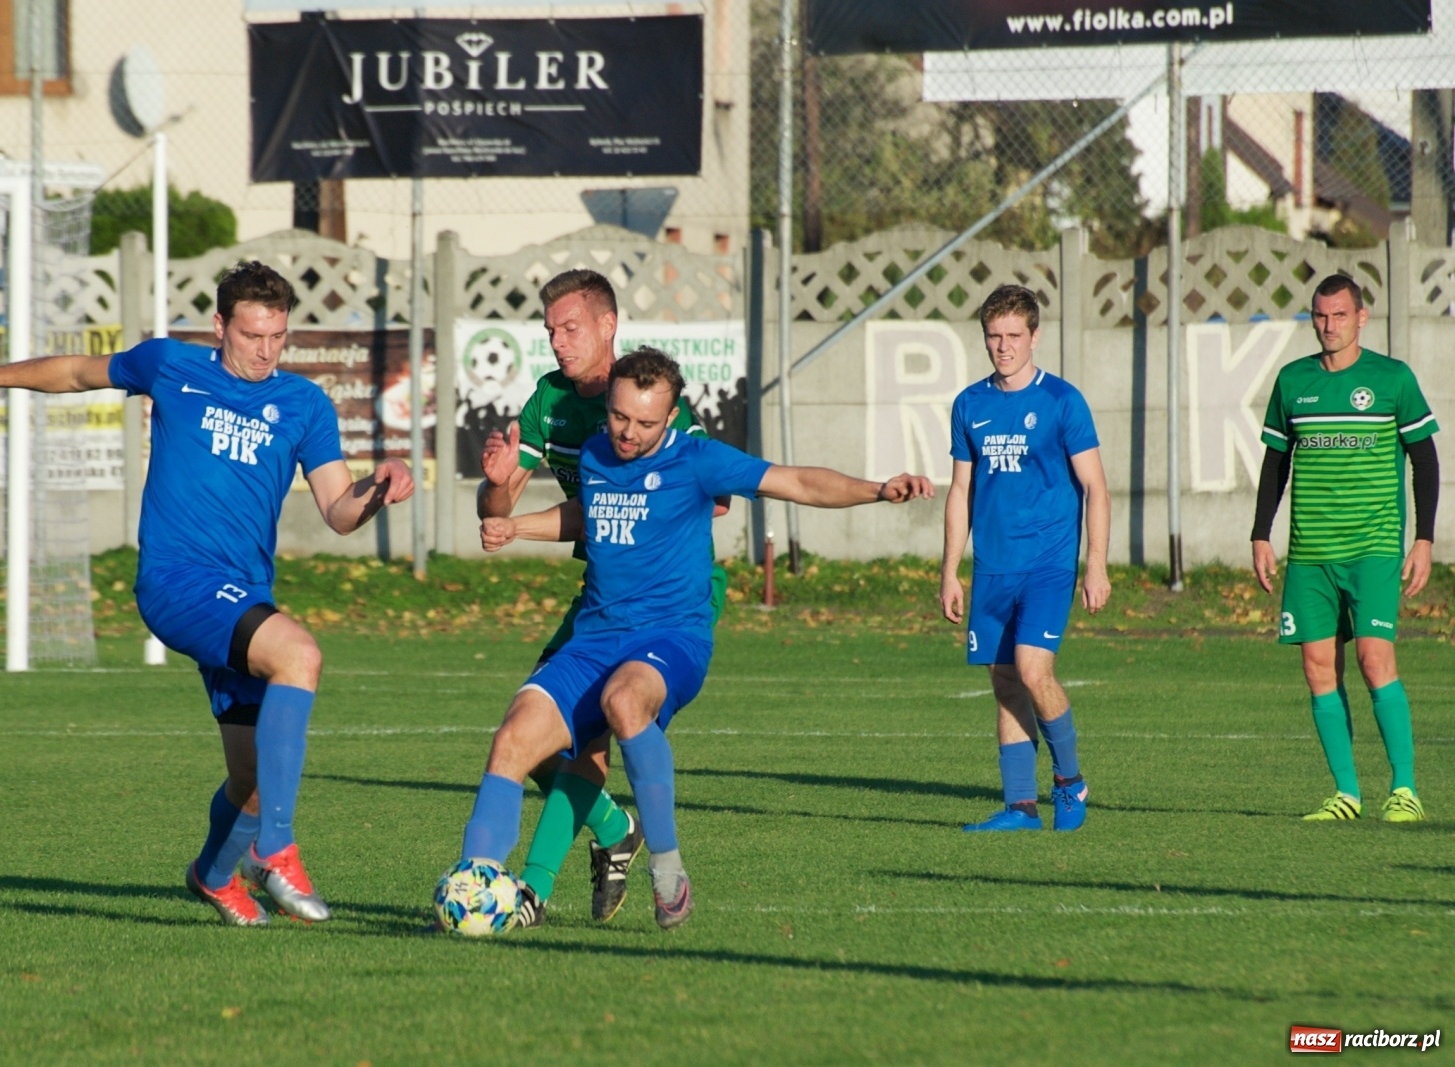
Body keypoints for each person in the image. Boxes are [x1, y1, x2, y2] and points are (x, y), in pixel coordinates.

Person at [0, 261, 414, 925]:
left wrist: (378, 489)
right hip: (175, 581)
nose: (266, 349)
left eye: (278, 335)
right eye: (251, 335)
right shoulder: (170, 366)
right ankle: (276, 849)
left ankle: (214, 875)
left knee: (249, 777)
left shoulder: (304, 404)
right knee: (299, 654)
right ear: (220, 326)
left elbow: (338, 508)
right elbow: (75, 372)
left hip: (242, 594)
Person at [469, 347, 932, 929]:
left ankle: (667, 870)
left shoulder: (698, 459)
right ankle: (475, 886)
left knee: (624, 701)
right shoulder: (594, 451)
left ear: (670, 417)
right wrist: (516, 526)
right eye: (619, 417)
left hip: (671, 635)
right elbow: (591, 514)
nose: (628, 433)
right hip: (595, 634)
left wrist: (877, 488)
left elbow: (798, 483)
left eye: (644, 423)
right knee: (512, 739)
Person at [476, 269, 726, 928]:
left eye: (571, 327)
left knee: (582, 737)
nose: (558, 342)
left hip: (665, 598)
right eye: (551, 329)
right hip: (602, 596)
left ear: (607, 325)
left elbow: (714, 493)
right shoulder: (548, 402)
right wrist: (499, 490)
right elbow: (500, 501)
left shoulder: (648, 398)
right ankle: (614, 828)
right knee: (536, 742)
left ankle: (532, 887)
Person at [1251, 273, 1439, 823]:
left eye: (1338, 315)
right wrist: (1262, 533)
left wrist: (1423, 540)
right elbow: (1275, 463)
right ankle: (1347, 794)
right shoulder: (1293, 382)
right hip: (1310, 554)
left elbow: (1424, 461)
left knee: (1373, 658)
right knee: (1316, 668)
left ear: (1361, 318)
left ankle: (1404, 789)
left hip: (1375, 547)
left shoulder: (1392, 379)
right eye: (1319, 316)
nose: (1328, 326)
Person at [939, 284, 1111, 833]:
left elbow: (1096, 489)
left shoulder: (1062, 401)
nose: (1004, 346)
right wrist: (949, 570)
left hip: (1048, 564)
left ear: (1034, 336)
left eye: (1014, 335)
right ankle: (1020, 808)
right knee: (1005, 681)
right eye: (994, 336)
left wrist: (1097, 564)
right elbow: (960, 490)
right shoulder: (970, 404)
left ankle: (1069, 781)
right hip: (992, 567)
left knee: (1036, 672)